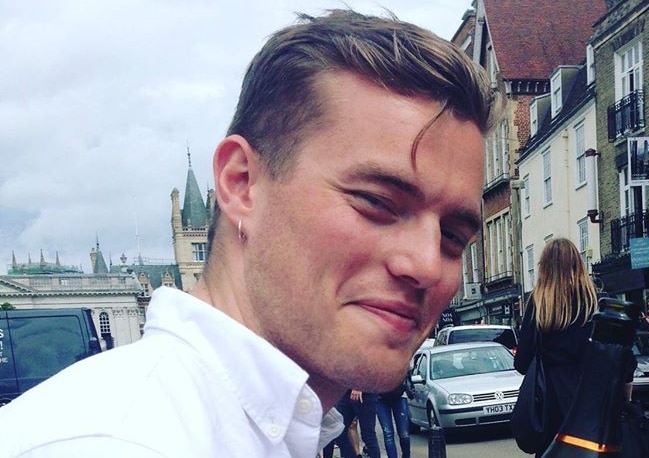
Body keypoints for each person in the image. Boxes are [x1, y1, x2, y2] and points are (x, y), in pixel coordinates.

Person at [0, 10, 499, 458]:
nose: (427, 265)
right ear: (241, 184)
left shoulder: (270, 425)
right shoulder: (121, 443)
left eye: (453, 236)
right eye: (378, 203)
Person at [513, 238, 635, 456]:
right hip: (595, 411)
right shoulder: (599, 305)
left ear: (545, 269)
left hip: (552, 415)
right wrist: (624, 398)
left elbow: (522, 363)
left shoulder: (539, 306)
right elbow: (624, 361)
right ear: (578, 265)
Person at [376, 372, 414, 458]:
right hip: (380, 398)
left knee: (404, 433)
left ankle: (406, 456)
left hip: (399, 395)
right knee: (388, 433)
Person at [333, 390, 380, 458]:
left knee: (368, 435)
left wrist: (358, 387)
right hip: (346, 392)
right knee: (338, 431)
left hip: (365, 394)